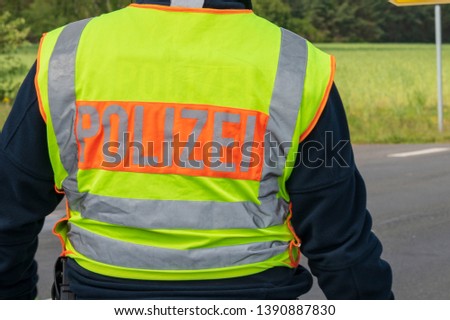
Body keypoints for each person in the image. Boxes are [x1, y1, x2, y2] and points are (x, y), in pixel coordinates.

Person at [0, 0, 393, 300]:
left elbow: (8, 217)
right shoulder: (298, 65)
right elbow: (341, 242)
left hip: (97, 295)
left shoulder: (66, 54)